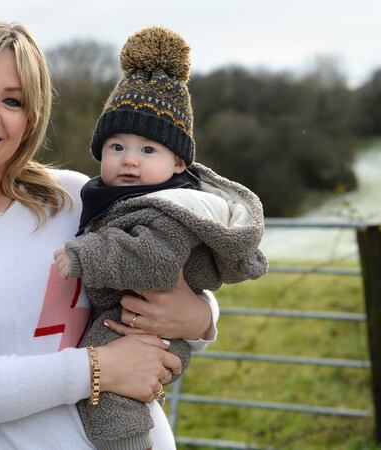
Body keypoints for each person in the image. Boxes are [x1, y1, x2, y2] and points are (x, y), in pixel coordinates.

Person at [0, 22, 220, 450]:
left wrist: (202, 316)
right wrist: (97, 368)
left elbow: (167, 274)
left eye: (13, 101)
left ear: (31, 120)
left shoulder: (75, 196)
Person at [53, 26, 268, 450]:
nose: (129, 160)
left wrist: (86, 255)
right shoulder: (114, 197)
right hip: (136, 319)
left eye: (148, 150)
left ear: (178, 162)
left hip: (141, 329)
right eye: (117, 146)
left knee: (110, 400)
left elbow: (150, 259)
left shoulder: (168, 209)